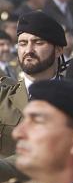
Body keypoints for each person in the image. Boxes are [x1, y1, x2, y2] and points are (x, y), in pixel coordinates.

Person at [0, 11, 68, 156]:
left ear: (58, 50)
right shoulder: (3, 98)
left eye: (38, 43)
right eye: (23, 44)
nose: (29, 50)